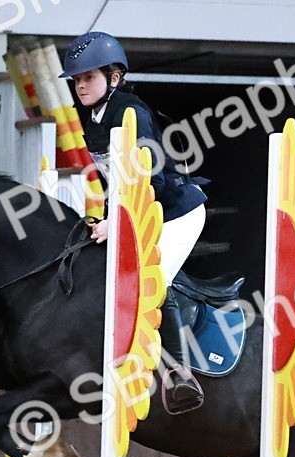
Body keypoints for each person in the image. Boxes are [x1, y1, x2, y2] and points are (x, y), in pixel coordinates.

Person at [60, 31, 208, 415]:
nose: (80, 86)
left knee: (155, 281)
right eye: (77, 80)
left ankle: (180, 374)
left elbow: (151, 183)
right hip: (138, 208)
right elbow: (116, 180)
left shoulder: (131, 113)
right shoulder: (91, 119)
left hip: (176, 211)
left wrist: (119, 223)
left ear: (114, 77)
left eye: (88, 77)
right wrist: (108, 217)